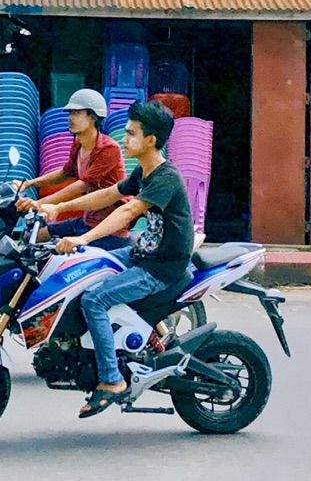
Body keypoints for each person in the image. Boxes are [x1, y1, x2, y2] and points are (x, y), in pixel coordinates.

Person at [38, 99, 195, 418]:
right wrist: (57, 209)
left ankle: (111, 380)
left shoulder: (166, 177)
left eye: (132, 133)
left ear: (151, 140)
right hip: (143, 252)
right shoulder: (145, 171)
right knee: (85, 266)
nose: (125, 138)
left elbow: (127, 210)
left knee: (94, 300)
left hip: (161, 267)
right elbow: (109, 195)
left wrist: (82, 237)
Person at [14, 88, 129, 245]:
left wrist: (42, 203)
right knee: (33, 237)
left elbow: (83, 185)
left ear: (93, 116)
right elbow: (65, 173)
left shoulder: (109, 148)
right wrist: (29, 183)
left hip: (107, 229)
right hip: (87, 220)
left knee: (54, 258)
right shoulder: (78, 145)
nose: (70, 118)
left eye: (76, 113)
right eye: (70, 113)